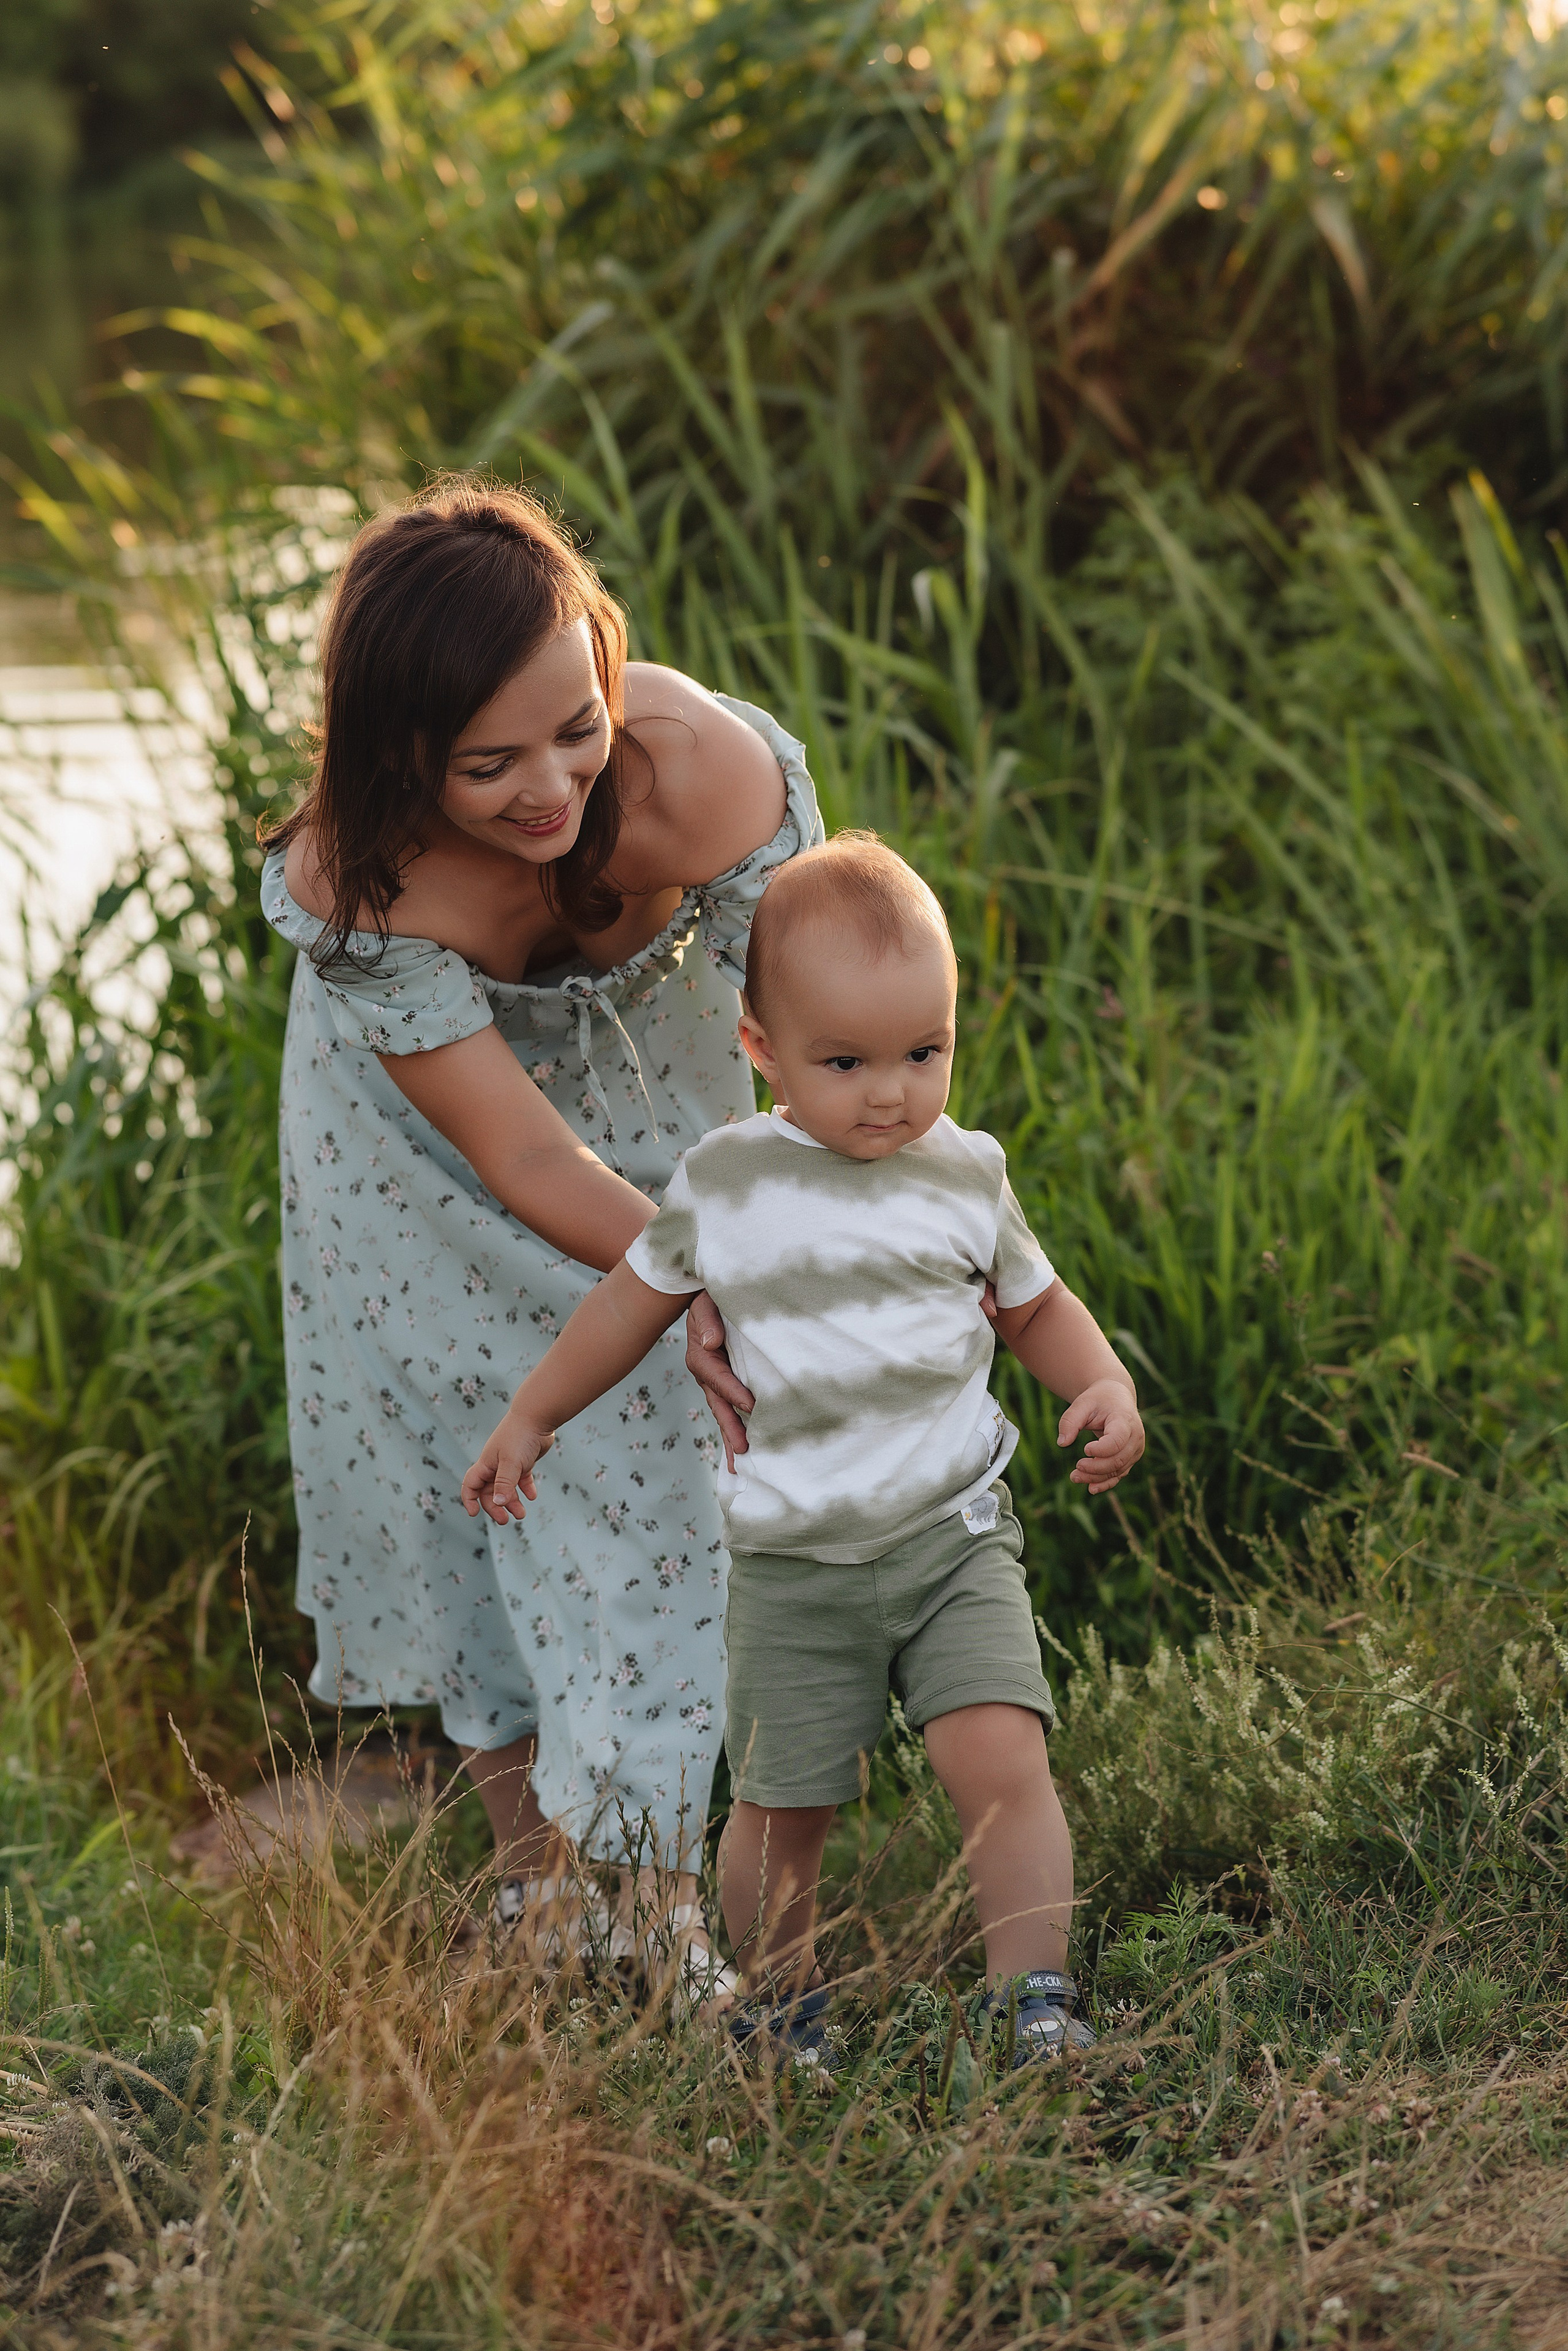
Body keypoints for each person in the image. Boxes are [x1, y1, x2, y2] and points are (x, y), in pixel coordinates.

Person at [258, 475, 821, 1990]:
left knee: (655, 1460)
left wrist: (762, 1253)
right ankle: (543, 1892)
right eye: (485, 763)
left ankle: (655, 1900)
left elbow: (812, 1032)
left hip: (651, 1073)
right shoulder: (362, 883)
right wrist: (689, 1272)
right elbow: (515, 1151)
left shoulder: (700, 776)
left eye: (575, 727)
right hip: (418, 1139)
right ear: (398, 754)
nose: (549, 787)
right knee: (469, 1464)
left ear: (604, 661)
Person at [462, 833, 1146, 2065]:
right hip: (793, 1568)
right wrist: (533, 1413)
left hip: (951, 1536)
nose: (890, 1093)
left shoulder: (963, 1175)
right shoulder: (726, 1182)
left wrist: (1099, 1379)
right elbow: (627, 1306)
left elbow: (1032, 1305)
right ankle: (782, 2006)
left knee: (1002, 1758)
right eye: (845, 1061)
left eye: (924, 1052)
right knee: (784, 1811)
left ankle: (1031, 1994)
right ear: (761, 1047)